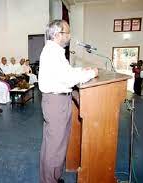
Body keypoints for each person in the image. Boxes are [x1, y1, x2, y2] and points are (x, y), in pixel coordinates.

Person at [38, 19, 98, 183]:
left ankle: (52, 178)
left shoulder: (55, 51)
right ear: (58, 34)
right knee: (55, 147)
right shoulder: (52, 52)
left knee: (53, 144)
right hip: (57, 102)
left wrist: (81, 70)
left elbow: (66, 72)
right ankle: (49, 180)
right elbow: (67, 78)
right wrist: (91, 73)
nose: (70, 36)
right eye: (68, 32)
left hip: (58, 101)